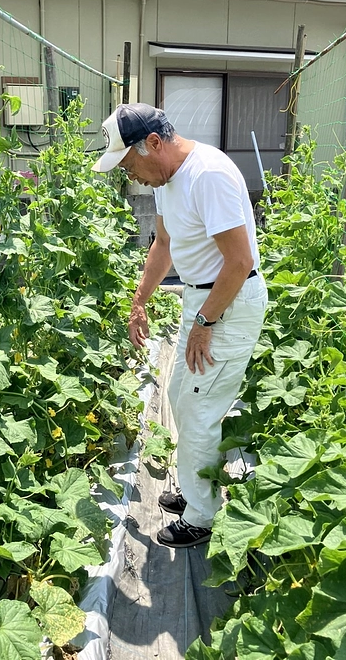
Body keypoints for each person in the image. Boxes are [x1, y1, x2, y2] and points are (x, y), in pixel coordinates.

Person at [92, 103, 267, 548]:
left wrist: (206, 321)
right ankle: (197, 490)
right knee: (179, 396)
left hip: (228, 299)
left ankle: (201, 517)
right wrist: (139, 301)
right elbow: (164, 244)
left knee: (198, 409)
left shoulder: (207, 175)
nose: (130, 175)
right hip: (200, 296)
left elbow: (240, 260)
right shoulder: (167, 180)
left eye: (129, 164)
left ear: (153, 144)